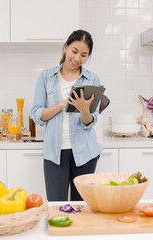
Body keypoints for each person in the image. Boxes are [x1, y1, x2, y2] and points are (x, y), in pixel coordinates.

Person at [31, 30, 102, 201]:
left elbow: (90, 121)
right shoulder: (46, 77)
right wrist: (63, 105)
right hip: (54, 154)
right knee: (56, 207)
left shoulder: (92, 79)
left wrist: (85, 110)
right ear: (66, 47)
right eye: (74, 51)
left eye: (84, 55)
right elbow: (37, 115)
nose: (77, 58)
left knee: (81, 208)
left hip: (85, 153)